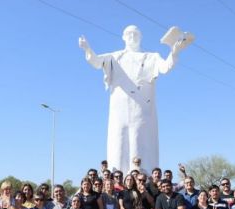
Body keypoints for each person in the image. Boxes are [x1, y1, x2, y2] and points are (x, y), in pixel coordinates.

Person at [79, 25, 192, 172]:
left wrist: (174, 52)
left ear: (141, 37)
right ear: (123, 37)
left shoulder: (151, 57)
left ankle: (146, 179)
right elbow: (95, 61)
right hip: (119, 109)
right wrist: (87, 49)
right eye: (129, 34)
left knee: (143, 144)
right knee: (118, 144)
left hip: (143, 110)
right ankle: (117, 180)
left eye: (135, 34)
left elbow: (165, 67)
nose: (132, 37)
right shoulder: (114, 57)